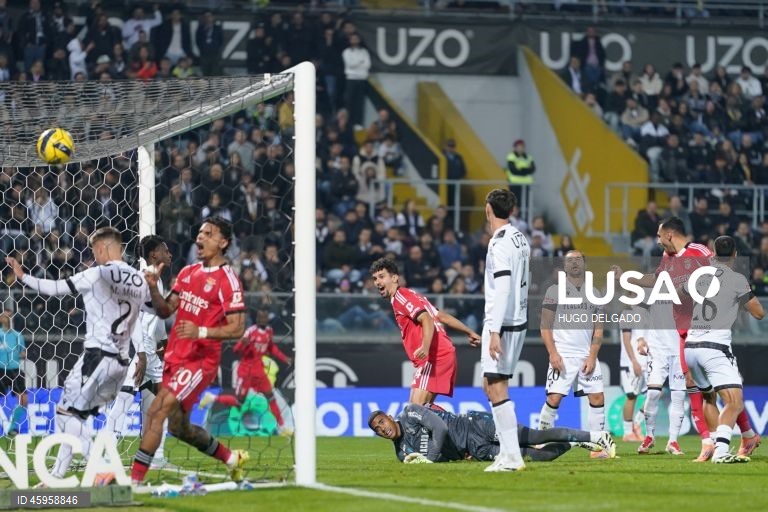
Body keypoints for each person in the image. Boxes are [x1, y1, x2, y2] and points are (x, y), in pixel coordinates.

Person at [5, 227, 150, 480]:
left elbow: (55, 288)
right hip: (122, 362)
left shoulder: (97, 274)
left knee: (63, 415)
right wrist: (144, 354)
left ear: (104, 248)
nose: (93, 256)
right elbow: (152, 313)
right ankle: (57, 476)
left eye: (94, 250)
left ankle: (103, 466)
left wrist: (23, 276)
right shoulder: (138, 279)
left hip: (98, 356)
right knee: (72, 416)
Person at [614, 217, 760, 461]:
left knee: (709, 387)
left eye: (660, 236)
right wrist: (629, 279)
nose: (658, 241)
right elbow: (658, 280)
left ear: (670, 235)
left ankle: (717, 441)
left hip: (702, 330)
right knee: (706, 390)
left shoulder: (700, 253)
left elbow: (721, 279)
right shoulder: (668, 259)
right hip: (683, 331)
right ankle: (727, 438)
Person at [130, 217, 248, 485]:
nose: (200, 238)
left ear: (223, 242)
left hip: (199, 362)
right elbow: (164, 310)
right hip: (174, 357)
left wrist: (201, 332)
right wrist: (151, 287)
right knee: (179, 428)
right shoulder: (188, 272)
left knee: (155, 411)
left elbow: (237, 327)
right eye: (199, 232)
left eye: (208, 233)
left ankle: (134, 482)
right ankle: (232, 459)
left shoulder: (227, 280)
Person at [682, 235, 765, 463]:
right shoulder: (736, 279)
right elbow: (759, 312)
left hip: (691, 347)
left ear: (713, 253)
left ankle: (743, 438)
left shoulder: (700, 276)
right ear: (735, 254)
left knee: (709, 398)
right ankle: (721, 452)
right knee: (734, 401)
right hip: (714, 347)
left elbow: (683, 293)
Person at [370, 257, 480, 405]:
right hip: (440, 354)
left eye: (382, 276)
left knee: (415, 412)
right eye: (375, 278)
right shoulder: (413, 295)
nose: (377, 282)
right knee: (420, 412)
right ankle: (454, 426)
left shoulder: (400, 297)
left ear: (395, 278)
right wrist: (469, 331)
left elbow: (427, 318)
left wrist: (425, 347)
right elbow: (440, 316)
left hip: (434, 356)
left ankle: (463, 426)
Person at [105, 235, 172, 467]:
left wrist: (163, 342)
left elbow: (155, 319)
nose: (170, 254)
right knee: (126, 399)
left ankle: (155, 456)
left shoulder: (157, 279)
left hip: (149, 350)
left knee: (153, 402)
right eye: (165, 250)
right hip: (138, 348)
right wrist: (141, 354)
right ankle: (106, 454)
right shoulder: (143, 278)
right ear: (154, 254)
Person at [539, 250, 610, 459]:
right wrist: (552, 353)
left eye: (578, 260)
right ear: (564, 266)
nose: (574, 264)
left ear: (585, 265)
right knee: (554, 398)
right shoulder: (554, 291)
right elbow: (545, 326)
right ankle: (542, 441)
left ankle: (598, 447)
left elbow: (599, 328)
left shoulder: (595, 293)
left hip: (586, 356)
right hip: (563, 354)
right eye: (570, 261)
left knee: (597, 397)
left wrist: (592, 355)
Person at [368, 404, 615, 463]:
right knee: (536, 457)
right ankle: (574, 444)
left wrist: (430, 457)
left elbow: (440, 428)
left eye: (382, 421)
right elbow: (444, 459)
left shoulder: (410, 412)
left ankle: (597, 436)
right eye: (377, 429)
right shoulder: (403, 454)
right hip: (476, 449)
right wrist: (458, 456)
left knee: (534, 437)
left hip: (475, 425)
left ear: (389, 416)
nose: (382, 428)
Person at [480, 189, 531, 472]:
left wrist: (495, 330)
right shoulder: (520, 237)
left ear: (488, 209)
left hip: (504, 322)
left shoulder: (499, 243)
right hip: (517, 318)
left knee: (497, 386)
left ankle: (512, 457)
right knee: (490, 385)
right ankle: (506, 453)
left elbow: (502, 288)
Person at [199, 309, 293, 435]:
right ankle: (212, 398)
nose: (262, 320)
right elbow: (236, 350)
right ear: (257, 319)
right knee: (239, 402)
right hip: (246, 371)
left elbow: (271, 347)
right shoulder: (250, 332)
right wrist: (242, 344)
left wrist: (284, 358)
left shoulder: (269, 331)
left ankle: (282, 427)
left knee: (271, 397)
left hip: (259, 371)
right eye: (260, 317)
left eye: (264, 317)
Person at [635, 292, 687, 456]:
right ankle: (649, 436)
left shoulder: (686, 288)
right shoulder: (652, 289)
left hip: (680, 350)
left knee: (678, 396)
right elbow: (640, 312)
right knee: (652, 393)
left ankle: (673, 441)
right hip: (657, 351)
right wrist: (641, 338)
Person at [618, 306, 647, 442]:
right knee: (632, 396)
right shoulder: (627, 312)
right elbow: (626, 339)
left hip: (647, 361)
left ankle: (637, 423)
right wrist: (634, 361)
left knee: (655, 393)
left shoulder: (646, 312)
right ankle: (627, 432)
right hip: (631, 363)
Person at [0, 311, 27, 435]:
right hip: (1, 370)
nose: (7, 318)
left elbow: (23, 353)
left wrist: (21, 354)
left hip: (15, 370)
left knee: (24, 400)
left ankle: (12, 426)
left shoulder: (18, 335)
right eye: (5, 315)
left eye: (9, 316)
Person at [505, 139, 535, 208]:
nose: (520, 148)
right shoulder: (511, 156)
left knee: (526, 203)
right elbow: (513, 170)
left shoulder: (528, 157)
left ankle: (523, 217)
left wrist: (521, 169)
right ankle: (515, 217)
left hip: (526, 183)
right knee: (515, 203)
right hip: (514, 183)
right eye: (518, 146)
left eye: (522, 146)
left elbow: (533, 169)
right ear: (515, 148)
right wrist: (526, 170)